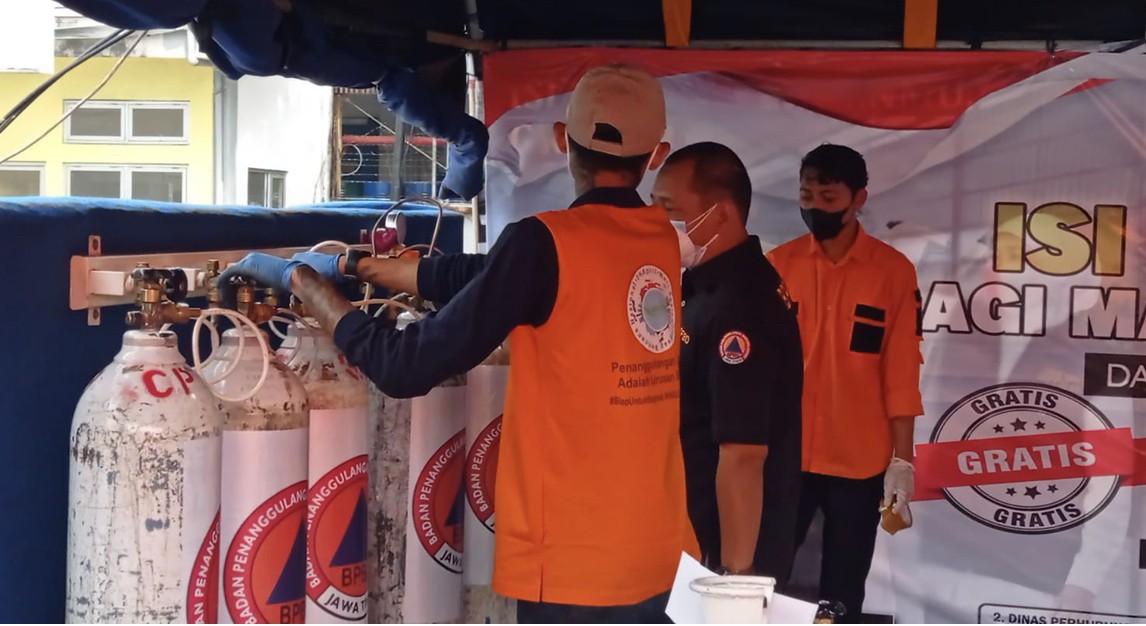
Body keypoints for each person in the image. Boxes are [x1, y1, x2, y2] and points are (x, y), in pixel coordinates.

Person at [219, 63, 697, 624]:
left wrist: (308, 285)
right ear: (657, 153)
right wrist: (368, 267)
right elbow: (499, 275)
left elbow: (404, 366)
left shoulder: (546, 244)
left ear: (562, 139)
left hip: (576, 567)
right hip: (661, 554)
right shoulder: (660, 241)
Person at [766, 143, 923, 623]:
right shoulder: (776, 266)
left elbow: (901, 370)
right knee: (762, 578)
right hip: (784, 455)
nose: (814, 207)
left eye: (828, 197)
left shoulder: (893, 273)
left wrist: (902, 462)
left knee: (842, 592)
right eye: (806, 195)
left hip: (859, 460)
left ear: (859, 199)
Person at [650, 142, 803, 583]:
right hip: (692, 531)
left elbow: (743, 455)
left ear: (719, 214)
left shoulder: (742, 307)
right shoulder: (704, 286)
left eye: (669, 209)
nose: (658, 221)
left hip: (722, 552)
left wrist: (735, 579)